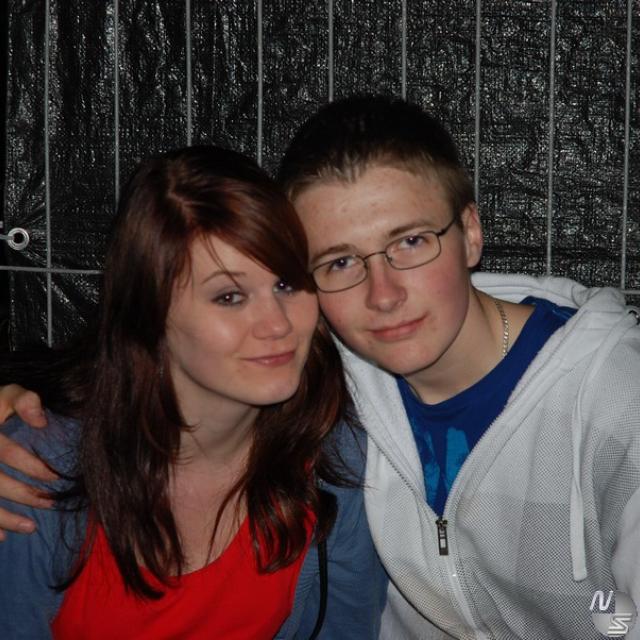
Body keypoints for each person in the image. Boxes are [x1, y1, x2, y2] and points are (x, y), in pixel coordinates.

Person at [2, 95, 640, 639]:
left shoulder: (615, 401)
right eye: (338, 262)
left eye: (410, 241)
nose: (382, 294)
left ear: (470, 233)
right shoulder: (334, 394)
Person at [0, 145, 385, 639]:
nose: (277, 324)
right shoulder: (39, 466)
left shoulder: (333, 459)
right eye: (230, 296)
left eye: (287, 285)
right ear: (151, 313)